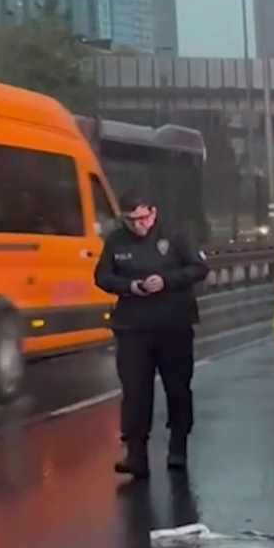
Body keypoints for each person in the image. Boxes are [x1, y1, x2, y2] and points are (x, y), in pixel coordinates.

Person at [93, 192, 208, 477]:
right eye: (131, 221)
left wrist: (166, 281)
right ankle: (136, 453)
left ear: (153, 213)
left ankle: (178, 446)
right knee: (134, 390)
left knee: (178, 388)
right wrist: (130, 286)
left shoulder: (176, 234)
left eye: (143, 219)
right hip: (133, 327)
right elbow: (102, 277)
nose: (138, 226)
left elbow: (199, 267)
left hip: (174, 324)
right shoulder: (116, 241)